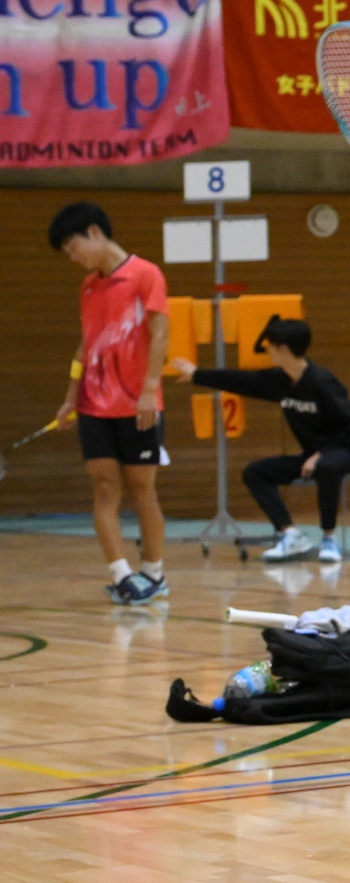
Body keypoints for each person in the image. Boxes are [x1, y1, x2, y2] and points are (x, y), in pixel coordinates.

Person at [48, 202, 171, 605]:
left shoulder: (145, 274)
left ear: (95, 232)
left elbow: (160, 332)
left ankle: (153, 572)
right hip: (94, 406)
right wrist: (70, 398)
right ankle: (122, 576)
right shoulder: (88, 287)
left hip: (138, 406)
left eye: (74, 247)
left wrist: (150, 389)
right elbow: (86, 345)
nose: (74, 257)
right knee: (103, 488)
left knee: (142, 489)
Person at [168, 317, 350, 565]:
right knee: (256, 473)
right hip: (312, 455)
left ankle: (329, 538)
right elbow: (242, 381)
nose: (267, 351)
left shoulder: (322, 382)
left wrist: (320, 455)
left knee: (326, 467)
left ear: (283, 349)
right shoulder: (280, 381)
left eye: (270, 346)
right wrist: (197, 374)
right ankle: (290, 534)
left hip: (344, 452)